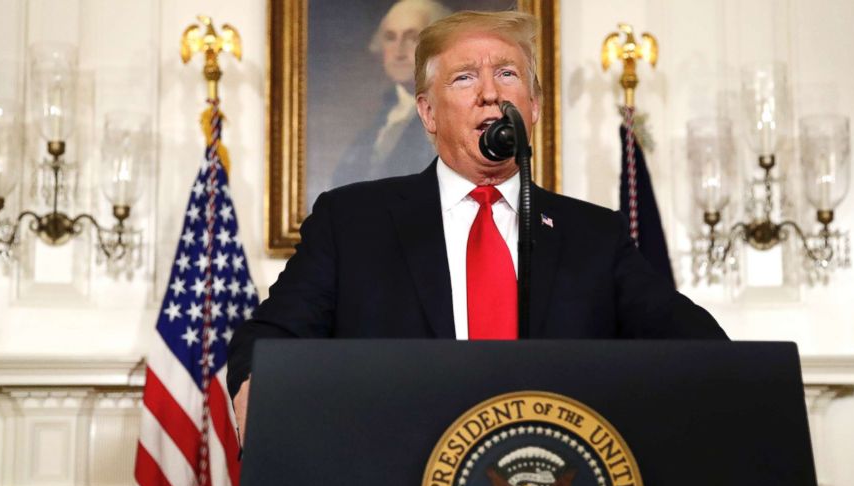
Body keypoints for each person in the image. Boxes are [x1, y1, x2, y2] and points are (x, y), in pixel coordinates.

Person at [229, 10, 727, 438]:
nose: (491, 92)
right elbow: (269, 339)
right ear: (427, 111)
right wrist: (258, 391)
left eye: (508, 74)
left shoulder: (594, 236)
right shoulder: (353, 223)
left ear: (532, 107)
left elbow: (697, 348)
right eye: (465, 78)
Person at [330, 0, 450, 188]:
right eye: (390, 37)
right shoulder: (379, 122)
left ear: (438, 47)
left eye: (412, 38)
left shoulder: (451, 118)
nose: (399, 51)